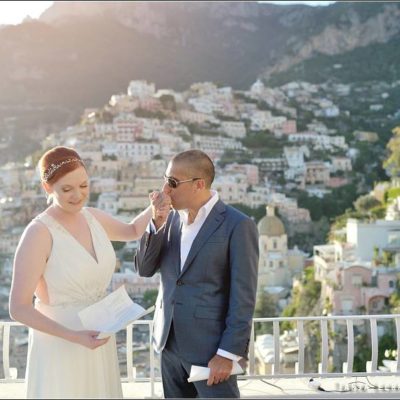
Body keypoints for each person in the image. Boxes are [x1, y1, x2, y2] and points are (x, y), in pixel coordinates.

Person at [9, 146, 170, 399]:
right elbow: (18, 308)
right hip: (60, 345)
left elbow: (131, 232)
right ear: (47, 188)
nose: (78, 195)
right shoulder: (38, 233)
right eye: (67, 189)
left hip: (98, 339)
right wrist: (73, 336)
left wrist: (156, 207)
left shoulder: (93, 217)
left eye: (84, 186)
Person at [134, 149, 259, 398]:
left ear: (199, 184)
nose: (165, 190)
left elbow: (243, 296)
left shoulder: (237, 224)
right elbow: (144, 269)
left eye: (172, 183)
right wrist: (156, 222)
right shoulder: (168, 220)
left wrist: (227, 354)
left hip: (210, 350)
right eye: (165, 180)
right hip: (169, 346)